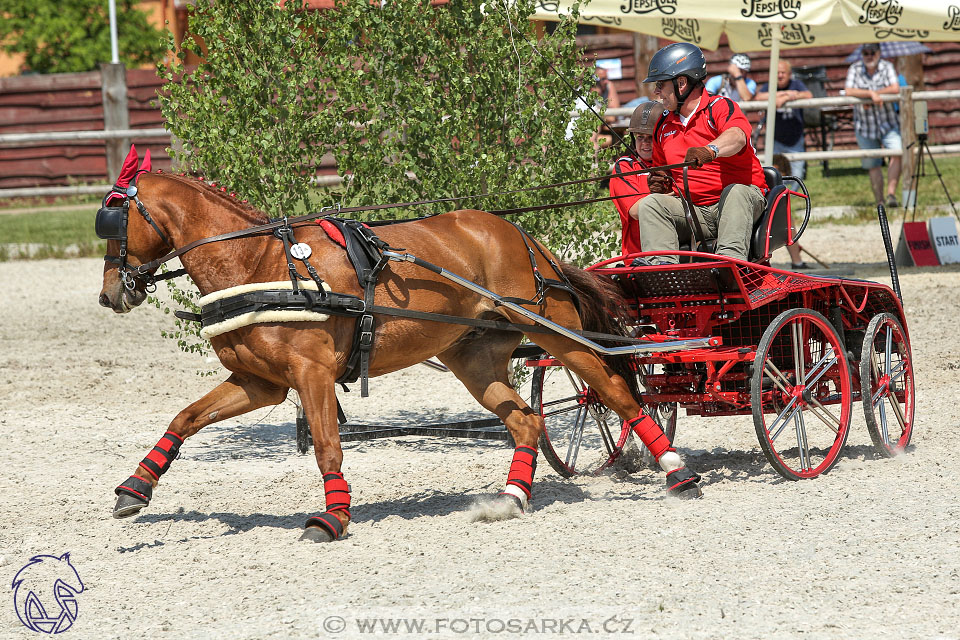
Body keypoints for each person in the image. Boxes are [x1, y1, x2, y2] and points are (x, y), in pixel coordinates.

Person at [632, 42, 768, 265]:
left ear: (682, 83)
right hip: (694, 212)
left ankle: (729, 264)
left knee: (736, 192)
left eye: (660, 84)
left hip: (741, 205)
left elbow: (737, 136)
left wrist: (710, 150)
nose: (656, 92)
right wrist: (661, 184)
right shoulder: (663, 126)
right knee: (652, 203)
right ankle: (662, 270)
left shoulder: (719, 107)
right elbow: (666, 178)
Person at [844, 42, 902, 209]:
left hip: (888, 122)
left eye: (872, 52)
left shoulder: (887, 66)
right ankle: (880, 201)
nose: (869, 56)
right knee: (873, 164)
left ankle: (891, 194)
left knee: (897, 152)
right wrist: (869, 95)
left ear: (878, 53)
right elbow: (848, 90)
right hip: (865, 125)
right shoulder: (855, 68)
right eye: (865, 53)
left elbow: (895, 87)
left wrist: (876, 95)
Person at [609, 100, 664, 258]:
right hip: (639, 256)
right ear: (633, 139)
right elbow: (635, 210)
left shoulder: (674, 162)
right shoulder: (625, 167)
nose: (645, 143)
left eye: (650, 137)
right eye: (640, 137)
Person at [755, 59, 813, 181]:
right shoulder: (770, 86)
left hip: (795, 138)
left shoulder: (796, 84)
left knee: (797, 174)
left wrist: (788, 97)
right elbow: (759, 97)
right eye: (777, 72)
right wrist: (784, 94)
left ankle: (794, 196)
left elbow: (808, 95)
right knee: (775, 173)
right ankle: (780, 197)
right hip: (775, 138)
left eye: (783, 72)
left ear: (789, 74)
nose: (780, 75)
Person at [590, 66, 621, 150]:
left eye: (607, 78)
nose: (607, 81)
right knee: (610, 140)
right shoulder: (586, 93)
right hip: (594, 131)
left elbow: (614, 114)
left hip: (605, 127)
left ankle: (592, 143)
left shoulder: (608, 86)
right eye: (603, 79)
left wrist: (603, 117)